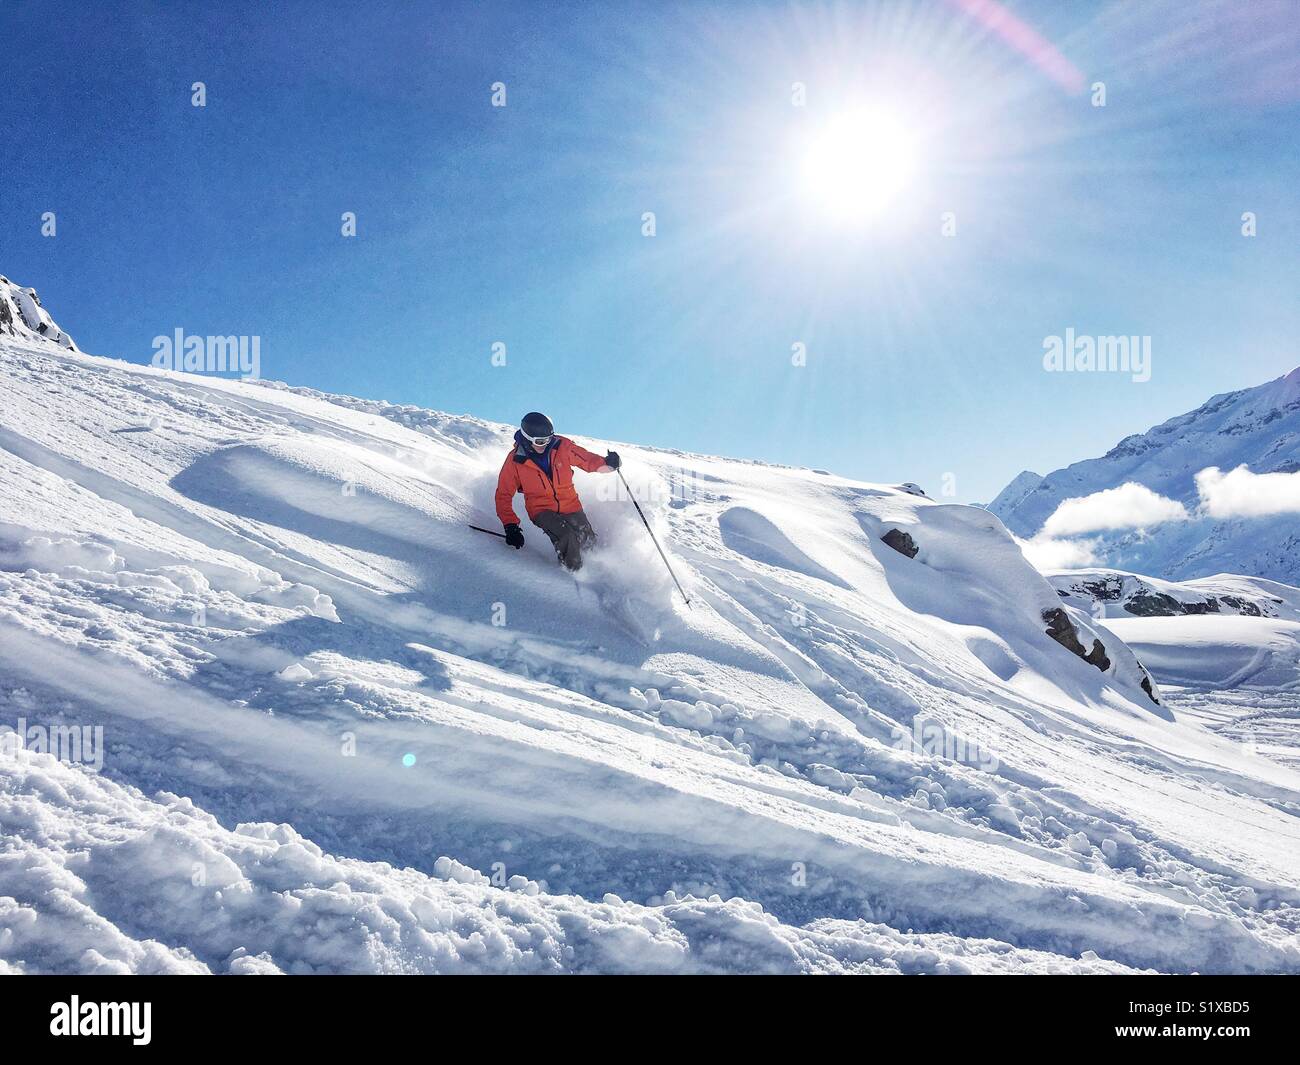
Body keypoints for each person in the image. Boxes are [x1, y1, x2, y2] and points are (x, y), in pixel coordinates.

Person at [495, 412, 620, 571]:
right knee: (567, 536)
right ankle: (573, 574)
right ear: (526, 439)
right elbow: (503, 495)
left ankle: (598, 572)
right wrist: (510, 525)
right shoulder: (515, 461)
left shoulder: (561, 447)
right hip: (541, 510)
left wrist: (608, 463)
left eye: (548, 439)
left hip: (571, 505)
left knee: (586, 537)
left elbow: (587, 460)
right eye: (540, 441)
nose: (545, 444)